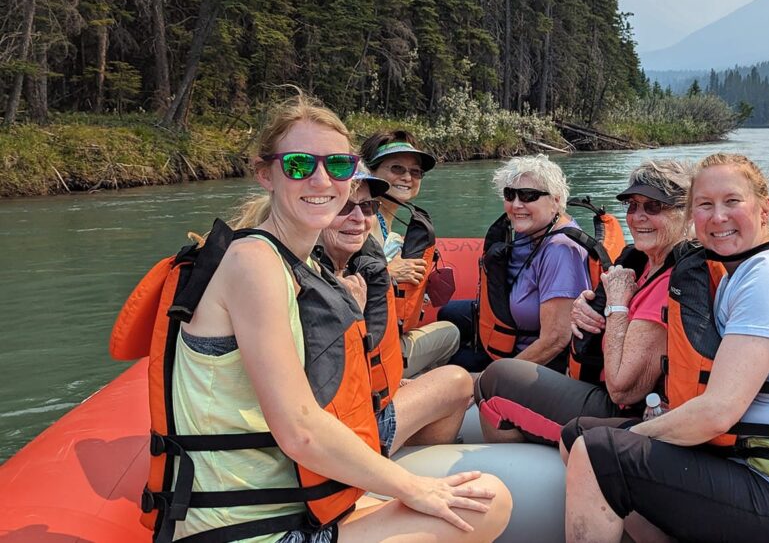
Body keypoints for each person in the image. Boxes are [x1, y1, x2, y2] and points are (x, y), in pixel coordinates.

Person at [146, 97, 510, 543]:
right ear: (266, 174)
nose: (322, 179)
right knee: (489, 501)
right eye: (300, 165)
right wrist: (414, 488)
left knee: (481, 496)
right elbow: (301, 432)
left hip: (296, 505)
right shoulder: (253, 263)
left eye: (338, 165)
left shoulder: (305, 266)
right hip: (251, 532)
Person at [561, 153, 769, 543]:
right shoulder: (738, 275)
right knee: (581, 435)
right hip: (757, 469)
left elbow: (717, 412)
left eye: (732, 201)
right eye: (705, 205)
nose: (717, 217)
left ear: (763, 209)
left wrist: (635, 434)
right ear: (692, 217)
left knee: (596, 452)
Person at [473, 160, 692, 444]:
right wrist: (585, 310)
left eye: (653, 207)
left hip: (628, 413)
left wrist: (615, 305)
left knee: (496, 380)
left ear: (687, 214)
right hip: (592, 380)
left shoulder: (671, 282)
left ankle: (512, 478)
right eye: (632, 206)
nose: (637, 217)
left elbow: (622, 389)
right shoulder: (646, 264)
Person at [316, 169, 473, 457]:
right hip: (343, 435)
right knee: (458, 381)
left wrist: (386, 382)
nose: (359, 217)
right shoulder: (316, 286)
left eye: (367, 207)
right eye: (343, 207)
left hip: (357, 408)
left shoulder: (348, 268)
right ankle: (412, 466)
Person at [441, 155, 591, 373]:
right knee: (448, 313)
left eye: (529, 196)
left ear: (556, 200)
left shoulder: (561, 251)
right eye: (510, 194)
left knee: (452, 368)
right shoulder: (533, 230)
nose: (516, 204)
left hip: (538, 364)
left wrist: (491, 376)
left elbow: (556, 340)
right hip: (511, 331)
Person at [360, 129, 460, 377]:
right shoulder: (364, 220)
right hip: (371, 351)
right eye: (396, 168)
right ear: (370, 172)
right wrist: (389, 271)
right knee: (452, 333)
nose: (407, 177)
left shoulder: (386, 221)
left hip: (383, 337)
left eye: (415, 172)